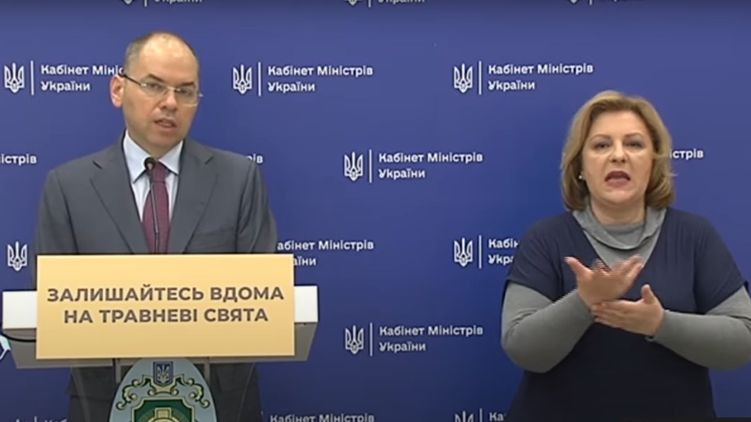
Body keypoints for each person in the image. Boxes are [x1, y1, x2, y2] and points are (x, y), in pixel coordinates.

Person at [33, 31, 276, 422]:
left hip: (222, 402)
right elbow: (53, 307)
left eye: (185, 91)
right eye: (153, 85)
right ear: (118, 89)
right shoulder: (68, 187)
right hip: (102, 402)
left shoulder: (239, 179)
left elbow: (264, 304)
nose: (170, 103)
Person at [501, 90, 751, 421]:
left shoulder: (695, 236)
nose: (618, 156)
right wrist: (584, 301)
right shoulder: (545, 239)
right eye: (601, 145)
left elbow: (742, 340)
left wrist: (660, 324)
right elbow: (523, 349)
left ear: (654, 162)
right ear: (580, 167)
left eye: (634, 144)